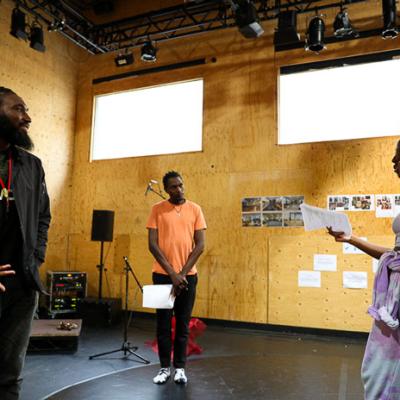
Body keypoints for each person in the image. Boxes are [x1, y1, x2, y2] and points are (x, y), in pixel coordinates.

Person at [327, 140, 400, 400]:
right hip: (393, 298)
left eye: (398, 157)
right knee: (378, 369)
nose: (393, 162)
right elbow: (395, 256)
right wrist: (351, 239)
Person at [0, 87, 51, 399]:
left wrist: (36, 257)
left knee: (8, 377)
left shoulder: (32, 165)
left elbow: (43, 216)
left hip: (22, 288)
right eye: (18, 109)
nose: (27, 117)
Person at [147, 171, 206, 384]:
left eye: (181, 185)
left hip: (188, 277)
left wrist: (181, 275)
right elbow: (152, 245)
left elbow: (200, 245)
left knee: (182, 324)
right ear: (166, 189)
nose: (179, 189)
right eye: (173, 187)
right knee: (162, 324)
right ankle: (164, 368)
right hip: (162, 276)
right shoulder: (156, 210)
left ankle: (180, 368)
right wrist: (172, 274)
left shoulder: (195, 209)